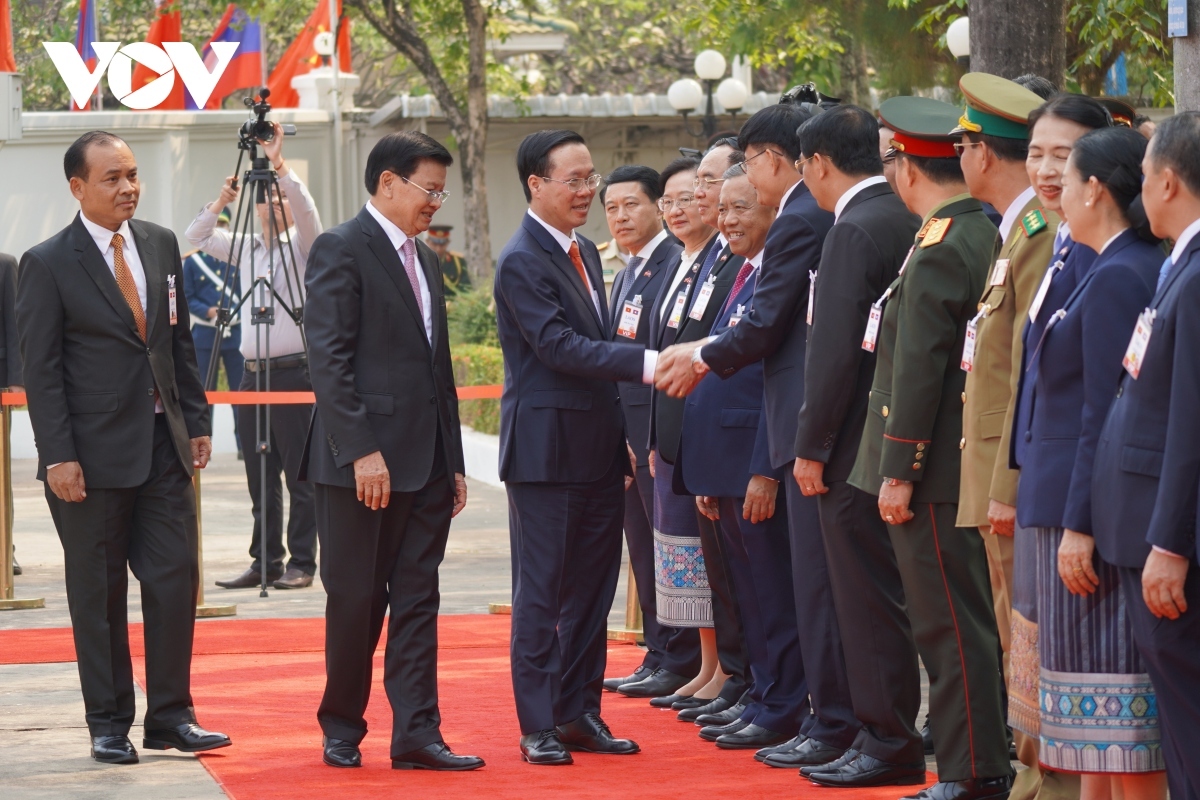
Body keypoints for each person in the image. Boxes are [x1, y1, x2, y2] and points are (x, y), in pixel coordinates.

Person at [16, 130, 229, 764]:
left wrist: (196, 421)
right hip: (89, 460)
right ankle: (108, 721)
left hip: (163, 450)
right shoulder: (48, 261)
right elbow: (42, 369)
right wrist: (58, 456)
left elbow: (176, 342)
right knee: (99, 595)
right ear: (78, 188)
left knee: (173, 581)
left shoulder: (162, 244)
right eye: (112, 178)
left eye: (132, 175)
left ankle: (171, 716)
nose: (128, 187)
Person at [658, 103, 856, 757]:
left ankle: (806, 712)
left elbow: (766, 333)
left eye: (740, 179)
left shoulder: (799, 221)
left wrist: (704, 355)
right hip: (762, 443)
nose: (726, 210)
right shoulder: (782, 231)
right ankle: (775, 699)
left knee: (795, 596)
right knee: (764, 594)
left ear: (773, 161)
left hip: (784, 446)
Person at [840, 97, 1011, 800]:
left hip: (933, 467)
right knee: (955, 621)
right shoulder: (964, 230)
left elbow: (919, 366)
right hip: (946, 463)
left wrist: (899, 469)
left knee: (947, 625)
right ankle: (975, 760)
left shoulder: (946, 240)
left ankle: (972, 770)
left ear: (904, 168)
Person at [301, 130, 482, 772]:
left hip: (427, 466)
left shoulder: (427, 259)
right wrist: (361, 452)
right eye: (428, 188)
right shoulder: (340, 249)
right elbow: (329, 359)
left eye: (441, 189)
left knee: (417, 599)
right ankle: (342, 727)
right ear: (387, 183)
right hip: (362, 468)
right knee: (355, 601)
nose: (437, 201)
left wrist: (453, 462)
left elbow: (438, 371)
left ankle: (417, 733)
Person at [1015, 126, 1166, 789]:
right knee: (1084, 726)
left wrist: (1082, 522)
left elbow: (1103, 413)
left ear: (1095, 189)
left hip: (1093, 515)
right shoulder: (1101, 265)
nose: (1057, 189)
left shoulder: (1119, 274)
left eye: (1067, 176)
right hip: (1062, 497)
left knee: (1115, 718)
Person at [494, 130, 644, 766]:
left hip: (599, 451)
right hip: (547, 454)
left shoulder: (583, 248)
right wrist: (649, 362)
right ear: (537, 184)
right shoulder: (523, 259)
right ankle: (538, 724)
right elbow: (558, 348)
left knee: (592, 589)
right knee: (543, 593)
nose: (590, 192)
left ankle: (579, 711)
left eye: (593, 178)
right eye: (575, 180)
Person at [791, 104, 926, 775]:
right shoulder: (905, 217)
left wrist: (810, 446)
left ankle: (886, 741)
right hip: (896, 436)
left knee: (865, 600)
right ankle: (888, 731)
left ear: (817, 163)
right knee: (889, 597)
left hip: (852, 447)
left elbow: (835, 352)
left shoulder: (851, 230)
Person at [950, 72, 1061, 798]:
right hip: (992, 465)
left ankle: (1040, 772)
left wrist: (1008, 483)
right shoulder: (1012, 231)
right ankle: (1027, 766)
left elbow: (1030, 376)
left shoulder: (1035, 232)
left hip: (1011, 472)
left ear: (986, 153)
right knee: (1009, 624)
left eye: (963, 143)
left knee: (1027, 628)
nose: (958, 156)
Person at [1092, 111, 1200, 800]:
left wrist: (1170, 541)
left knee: (1189, 711)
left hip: (1169, 535)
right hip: (1147, 523)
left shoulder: (1193, 275)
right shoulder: (1178, 263)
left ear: (1165, 181)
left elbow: (1189, 422)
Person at [676, 169, 799, 752]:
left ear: (773, 209)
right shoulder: (740, 273)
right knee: (747, 595)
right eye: (721, 210)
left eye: (740, 208)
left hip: (755, 457)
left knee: (772, 593)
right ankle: (760, 693)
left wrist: (761, 468)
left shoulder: (777, 271)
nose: (726, 221)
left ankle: (782, 702)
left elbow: (768, 386)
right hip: (722, 459)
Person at [636, 141, 754, 727]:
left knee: (734, 573)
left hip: (724, 436)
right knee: (705, 562)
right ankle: (714, 666)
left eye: (704, 186)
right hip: (680, 429)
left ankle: (734, 672)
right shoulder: (700, 262)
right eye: (681, 194)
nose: (697, 200)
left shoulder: (735, 258)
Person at [1007, 94, 1110, 765]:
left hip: (1074, 491)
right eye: (1037, 153)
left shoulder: (1110, 261)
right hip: (1035, 476)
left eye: (1062, 156)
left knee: (1078, 663)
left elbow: (1100, 402)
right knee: (1035, 651)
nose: (1046, 170)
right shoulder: (1050, 240)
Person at [186, 122, 322, 591]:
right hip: (251, 376)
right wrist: (223, 200)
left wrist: (280, 166)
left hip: (293, 374)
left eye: (278, 197)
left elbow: (307, 210)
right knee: (259, 473)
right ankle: (264, 561)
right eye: (266, 197)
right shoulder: (243, 248)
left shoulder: (303, 247)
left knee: (299, 475)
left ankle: (302, 562)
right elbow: (197, 236)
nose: (273, 203)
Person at [598, 164, 697, 700]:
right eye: (610, 208)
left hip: (658, 433)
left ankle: (679, 655)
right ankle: (658, 650)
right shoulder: (628, 268)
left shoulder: (670, 262)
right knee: (643, 548)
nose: (619, 217)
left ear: (656, 206)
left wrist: (648, 439)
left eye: (630, 205)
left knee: (668, 546)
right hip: (629, 433)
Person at [182, 209, 243, 458]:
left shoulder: (239, 257)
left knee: (240, 392)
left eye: (223, 224)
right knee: (204, 392)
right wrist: (207, 311)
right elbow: (186, 296)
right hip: (205, 335)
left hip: (236, 333)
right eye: (215, 223)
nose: (219, 227)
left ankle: (243, 445)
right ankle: (205, 442)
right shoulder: (194, 262)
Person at [0, 252, 23, 575]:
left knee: (0, 475)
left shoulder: (5, 265)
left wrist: (17, 381)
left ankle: (5, 548)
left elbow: (16, 326)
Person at [424, 224, 472, 296]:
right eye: (434, 244)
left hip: (453, 304)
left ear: (448, 242)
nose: (438, 249)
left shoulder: (458, 261)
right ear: (427, 242)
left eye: (442, 245)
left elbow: (465, 288)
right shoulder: (420, 260)